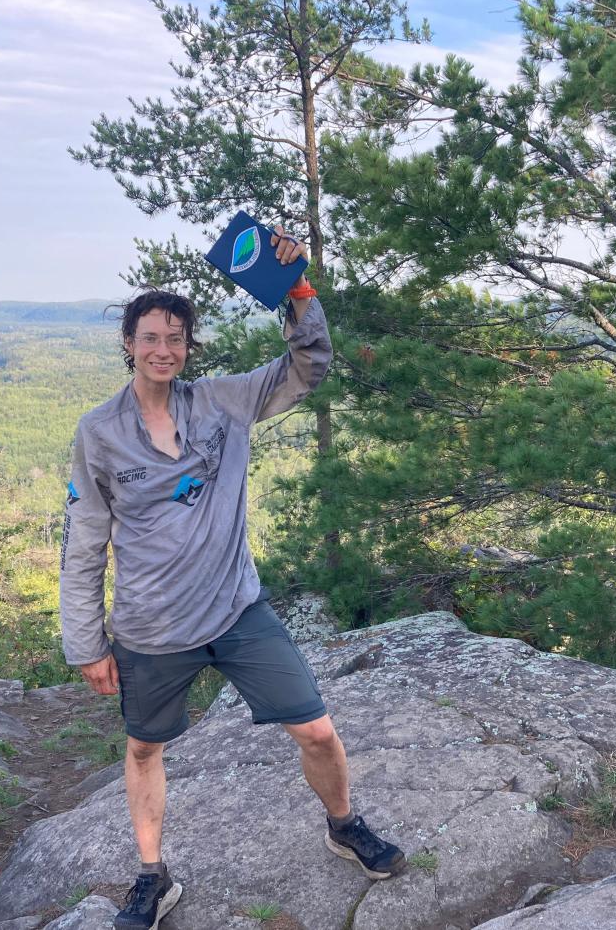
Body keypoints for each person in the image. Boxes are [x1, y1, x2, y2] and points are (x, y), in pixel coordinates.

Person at [60, 228, 405, 930]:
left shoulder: (222, 403)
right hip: (152, 628)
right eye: (151, 337)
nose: (164, 349)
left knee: (316, 729)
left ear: (188, 346)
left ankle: (344, 825)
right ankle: (153, 877)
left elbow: (308, 365)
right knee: (143, 747)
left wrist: (297, 288)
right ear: (128, 344)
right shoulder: (98, 433)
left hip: (237, 610)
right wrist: (85, 642)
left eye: (176, 338)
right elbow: (86, 539)